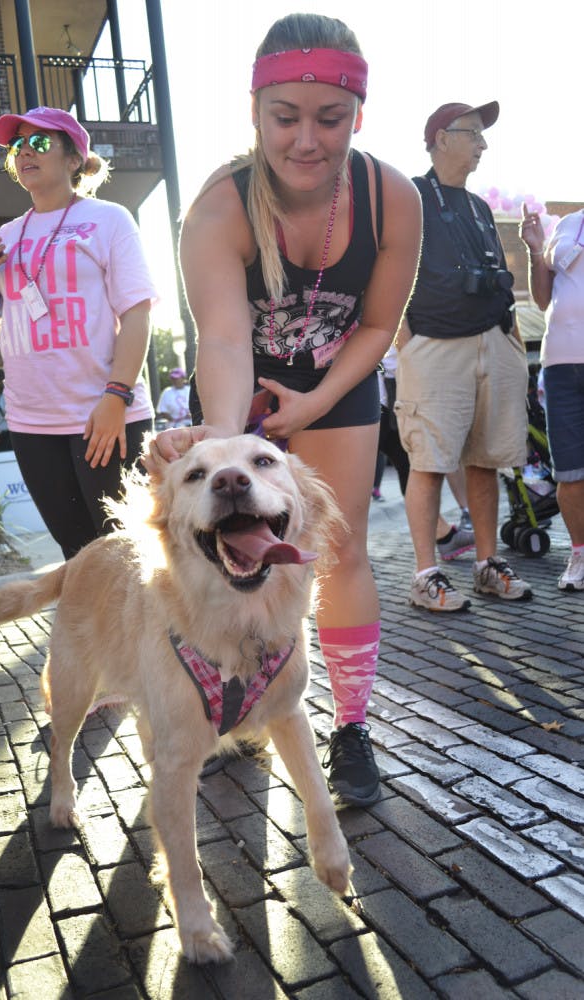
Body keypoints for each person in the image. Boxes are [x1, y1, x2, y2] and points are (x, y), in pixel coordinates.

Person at [147, 13, 422, 807]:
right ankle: (240, 697)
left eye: (329, 119)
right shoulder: (217, 209)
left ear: (358, 116)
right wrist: (231, 440)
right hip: (248, 388)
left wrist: (322, 399)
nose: (307, 140)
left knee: (338, 552)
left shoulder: (390, 198)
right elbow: (226, 339)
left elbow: (377, 325)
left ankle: (352, 727)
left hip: (338, 380)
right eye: (285, 118)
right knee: (235, 544)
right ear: (254, 113)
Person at [0, 107, 156, 559]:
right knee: (79, 557)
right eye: (18, 145)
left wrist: (116, 396)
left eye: (41, 142)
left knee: (128, 555)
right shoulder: (5, 237)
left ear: (73, 159)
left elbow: (138, 313)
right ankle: (92, 634)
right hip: (32, 423)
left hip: (104, 414)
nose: (26, 150)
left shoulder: (110, 219)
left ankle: (145, 633)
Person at [395, 100, 531, 611]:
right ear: (439, 138)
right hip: (436, 346)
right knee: (429, 463)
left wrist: (512, 344)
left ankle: (486, 564)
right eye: (472, 133)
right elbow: (383, 270)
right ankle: (426, 573)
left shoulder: (475, 206)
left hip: (492, 343)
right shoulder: (410, 196)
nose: (482, 143)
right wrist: (405, 340)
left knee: (485, 461)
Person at [520, 202, 584, 591]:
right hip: (560, 363)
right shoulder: (567, 225)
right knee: (569, 471)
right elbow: (542, 299)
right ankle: (579, 553)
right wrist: (533, 249)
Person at [377, 344, 475, 560]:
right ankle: (444, 536)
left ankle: (444, 535)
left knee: (409, 463)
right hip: (386, 387)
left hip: (388, 388)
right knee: (403, 464)